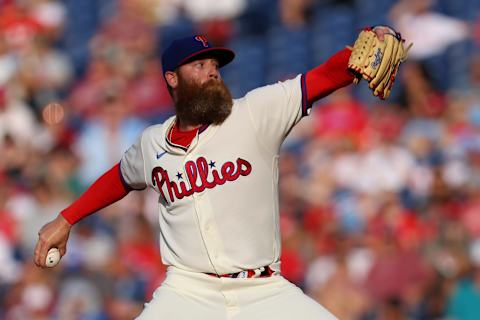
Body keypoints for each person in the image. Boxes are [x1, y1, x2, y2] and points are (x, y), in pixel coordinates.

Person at [34, 32, 389, 319]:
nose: (212, 71)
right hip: (188, 293)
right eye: (199, 65)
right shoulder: (152, 143)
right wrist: (67, 219)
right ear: (172, 79)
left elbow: (322, 77)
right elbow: (120, 178)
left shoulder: (254, 115)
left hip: (264, 291)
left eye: (215, 65)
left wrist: (379, 36)